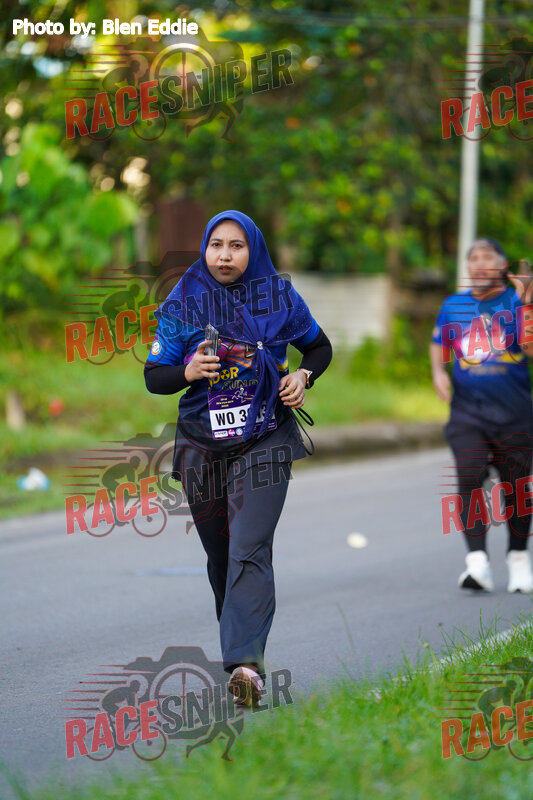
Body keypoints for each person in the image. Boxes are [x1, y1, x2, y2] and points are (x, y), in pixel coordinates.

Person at [144, 210, 332, 705]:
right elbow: (154, 377)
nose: (224, 255)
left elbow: (319, 348)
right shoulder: (184, 301)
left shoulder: (279, 296)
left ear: (254, 250)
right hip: (201, 445)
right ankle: (243, 651)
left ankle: (245, 667)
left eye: (236, 246)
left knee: (250, 545)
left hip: (265, 438)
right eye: (216, 245)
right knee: (222, 555)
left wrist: (303, 376)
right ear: (205, 249)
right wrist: (188, 371)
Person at [430, 237, 533, 593]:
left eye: (488, 256)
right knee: (469, 475)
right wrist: (438, 372)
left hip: (515, 414)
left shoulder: (517, 301)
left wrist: (527, 302)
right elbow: (438, 342)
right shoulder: (453, 304)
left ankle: (518, 559)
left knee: (515, 487)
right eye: (473, 257)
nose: (479, 263)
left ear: (502, 265)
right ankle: (478, 563)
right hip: (467, 413)